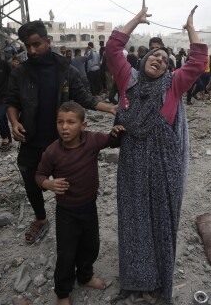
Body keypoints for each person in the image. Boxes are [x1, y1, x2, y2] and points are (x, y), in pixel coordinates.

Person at [106, 1, 207, 304]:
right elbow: (112, 49)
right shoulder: (129, 81)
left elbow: (199, 61)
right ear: (144, 59)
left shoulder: (173, 86)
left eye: (164, 59)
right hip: (133, 164)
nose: (160, 60)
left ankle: (157, 281)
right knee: (134, 219)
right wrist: (136, 19)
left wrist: (190, 28)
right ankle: (135, 278)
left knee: (160, 221)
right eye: (155, 56)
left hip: (165, 167)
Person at [5, 21, 116, 245]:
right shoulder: (21, 73)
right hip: (31, 139)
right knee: (31, 180)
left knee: (69, 185)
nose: (32, 51)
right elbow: (12, 101)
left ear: (48, 41)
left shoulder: (65, 69)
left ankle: (73, 220)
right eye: (27, 46)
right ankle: (40, 218)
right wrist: (15, 122)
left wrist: (111, 108)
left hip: (62, 142)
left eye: (36, 44)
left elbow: (85, 98)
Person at [35, 102, 125, 305]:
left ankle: (84, 276)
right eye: (60, 122)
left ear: (83, 125)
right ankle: (62, 293)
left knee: (90, 246)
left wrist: (115, 132)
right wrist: (48, 183)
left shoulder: (92, 140)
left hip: (89, 207)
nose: (64, 127)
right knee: (66, 254)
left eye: (70, 122)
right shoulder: (52, 152)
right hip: (66, 211)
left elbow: (112, 142)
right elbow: (39, 175)